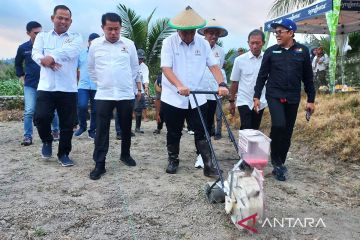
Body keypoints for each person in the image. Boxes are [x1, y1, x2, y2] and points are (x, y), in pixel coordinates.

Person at [161, 6, 228, 177]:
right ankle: (173, 159)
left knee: (202, 131)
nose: (189, 36)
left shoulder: (203, 43)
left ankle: (207, 164)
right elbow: (166, 68)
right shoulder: (168, 42)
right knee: (174, 131)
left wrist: (222, 83)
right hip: (173, 97)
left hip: (198, 97)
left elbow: (213, 65)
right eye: (185, 33)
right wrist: (178, 85)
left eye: (191, 32)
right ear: (178, 30)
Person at [253, 19, 315, 181]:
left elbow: (308, 78)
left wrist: (311, 99)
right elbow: (262, 76)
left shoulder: (302, 51)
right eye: (276, 32)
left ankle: (280, 163)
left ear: (291, 32)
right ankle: (275, 159)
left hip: (293, 97)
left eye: (280, 32)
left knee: (287, 132)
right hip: (274, 94)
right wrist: (256, 96)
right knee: (279, 125)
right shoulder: (271, 51)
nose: (277, 35)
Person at [87, 12, 141, 180]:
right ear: (103, 27)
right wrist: (104, 83)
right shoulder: (95, 45)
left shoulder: (129, 44)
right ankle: (100, 163)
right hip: (104, 94)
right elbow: (91, 69)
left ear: (120, 28)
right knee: (101, 129)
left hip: (125, 93)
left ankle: (125, 154)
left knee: (126, 127)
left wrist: (128, 86)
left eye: (116, 29)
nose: (113, 33)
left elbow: (134, 68)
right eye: (109, 29)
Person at [32, 5, 82, 166]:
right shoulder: (42, 36)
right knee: (41, 117)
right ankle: (47, 141)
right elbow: (35, 53)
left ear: (71, 21)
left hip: (68, 88)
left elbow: (70, 51)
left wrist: (51, 57)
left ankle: (63, 154)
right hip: (46, 87)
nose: (63, 21)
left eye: (66, 19)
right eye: (60, 18)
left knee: (68, 124)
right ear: (52, 18)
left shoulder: (76, 37)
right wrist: (44, 61)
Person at [15, 21, 60, 146]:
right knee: (29, 110)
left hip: (47, 84)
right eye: (36, 33)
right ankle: (27, 136)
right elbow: (18, 64)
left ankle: (56, 131)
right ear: (28, 33)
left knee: (52, 110)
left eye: (40, 32)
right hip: (30, 84)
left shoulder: (47, 47)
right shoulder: (23, 48)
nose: (39, 35)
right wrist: (21, 76)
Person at [194, 18, 227, 169]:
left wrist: (222, 87)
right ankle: (199, 154)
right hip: (199, 92)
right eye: (211, 33)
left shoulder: (221, 51)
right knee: (200, 125)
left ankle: (206, 153)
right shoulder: (197, 46)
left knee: (209, 125)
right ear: (205, 33)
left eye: (216, 34)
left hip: (213, 92)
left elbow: (219, 70)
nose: (213, 36)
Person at [229, 29, 267, 130]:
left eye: (258, 43)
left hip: (260, 100)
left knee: (254, 128)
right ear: (248, 43)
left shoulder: (268, 59)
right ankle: (244, 145)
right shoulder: (239, 60)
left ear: (263, 43)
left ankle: (246, 145)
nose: (254, 46)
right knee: (247, 127)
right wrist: (231, 101)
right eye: (252, 43)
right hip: (244, 100)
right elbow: (234, 82)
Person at [74, 33, 100, 139]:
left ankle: (92, 130)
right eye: (92, 42)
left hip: (96, 85)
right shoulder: (81, 53)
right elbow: (75, 67)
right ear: (88, 42)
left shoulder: (101, 54)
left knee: (95, 109)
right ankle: (82, 126)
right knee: (82, 105)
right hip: (83, 85)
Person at [133, 49, 149, 134]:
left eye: (142, 59)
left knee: (139, 109)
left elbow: (145, 78)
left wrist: (146, 87)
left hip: (140, 90)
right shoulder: (130, 64)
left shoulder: (144, 67)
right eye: (139, 58)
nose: (140, 60)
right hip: (130, 89)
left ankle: (137, 128)